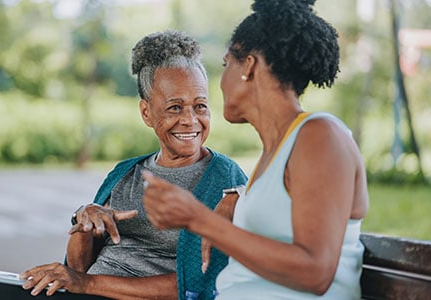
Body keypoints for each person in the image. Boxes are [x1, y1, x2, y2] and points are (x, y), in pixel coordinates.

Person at [0, 30, 247, 300]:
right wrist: (84, 223)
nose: (190, 120)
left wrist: (87, 284)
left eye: (200, 106)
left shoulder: (226, 180)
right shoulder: (125, 174)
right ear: (146, 112)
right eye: (175, 107)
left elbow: (202, 283)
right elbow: (77, 268)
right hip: (89, 291)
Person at [142, 1, 369, 299]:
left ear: (248, 65)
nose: (221, 83)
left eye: (226, 65)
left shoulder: (321, 136)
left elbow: (316, 272)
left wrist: (199, 219)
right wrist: (238, 195)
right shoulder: (275, 152)